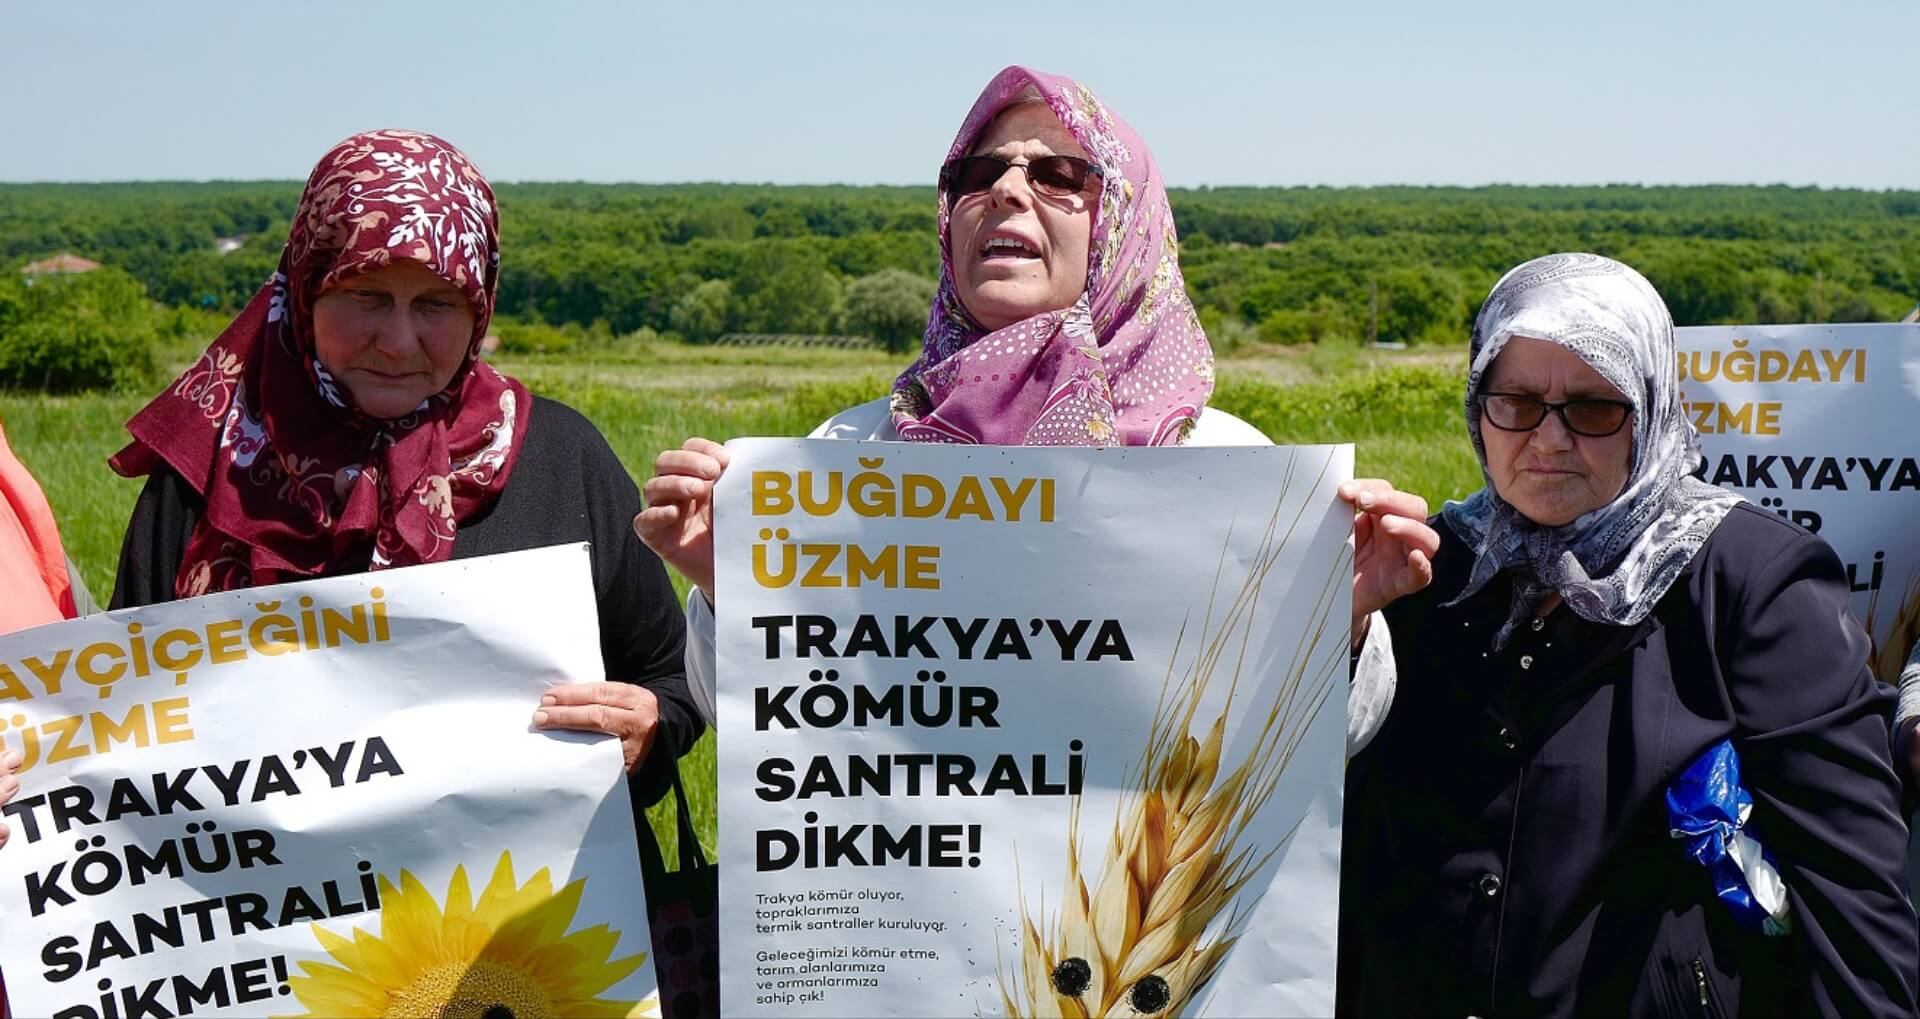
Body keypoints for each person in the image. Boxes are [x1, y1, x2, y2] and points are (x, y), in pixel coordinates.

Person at [634, 65, 1436, 740]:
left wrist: (1341, 619)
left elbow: (1325, 746)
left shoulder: (1227, 469)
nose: (1007, 191)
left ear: (1123, 221)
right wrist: (729, 586)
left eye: (1059, 175)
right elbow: (768, 729)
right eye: (979, 174)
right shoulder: (845, 455)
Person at [0, 131, 700, 866]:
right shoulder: (208, 469)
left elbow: (671, 678)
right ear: (305, 287)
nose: (398, 340)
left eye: (436, 303)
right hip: (266, 945)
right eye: (365, 295)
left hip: (533, 947)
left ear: (481, 306)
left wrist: (649, 727)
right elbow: (114, 734)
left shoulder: (556, 454)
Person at [1338, 252, 1918, 1017]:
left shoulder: (1752, 580)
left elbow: (1850, 886)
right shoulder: (1427, 568)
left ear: (1651, 409)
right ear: (1477, 406)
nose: (1547, 439)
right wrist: (1340, 627)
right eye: (1514, 400)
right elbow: (1309, 806)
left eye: (1592, 406)